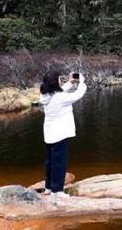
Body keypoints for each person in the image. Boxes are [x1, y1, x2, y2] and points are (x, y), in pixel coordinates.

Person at [39, 70, 87, 198]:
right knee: (59, 162)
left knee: (50, 162)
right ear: (55, 82)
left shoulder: (45, 94)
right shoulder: (60, 98)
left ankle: (48, 188)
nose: (61, 81)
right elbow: (77, 95)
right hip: (59, 134)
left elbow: (59, 91)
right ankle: (57, 191)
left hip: (49, 134)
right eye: (60, 79)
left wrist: (70, 83)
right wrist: (81, 82)